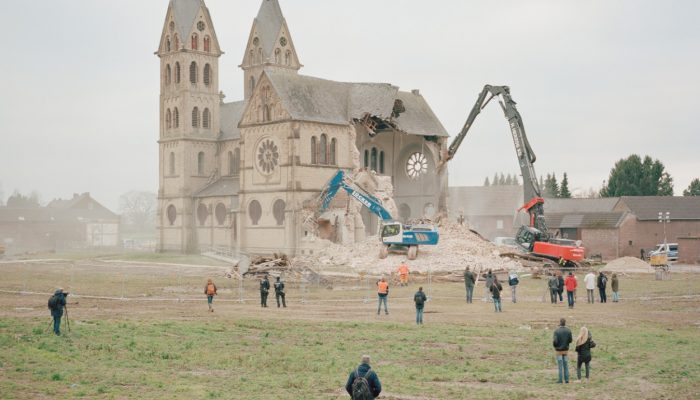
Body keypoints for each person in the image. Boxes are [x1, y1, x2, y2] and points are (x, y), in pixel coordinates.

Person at [552, 318, 573, 384]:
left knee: (560, 366)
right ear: (565, 323)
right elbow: (570, 340)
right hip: (565, 350)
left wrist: (555, 346)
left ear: (560, 323)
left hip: (559, 351)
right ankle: (567, 380)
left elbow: (555, 341)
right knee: (566, 366)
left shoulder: (556, 331)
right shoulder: (568, 330)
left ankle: (560, 380)